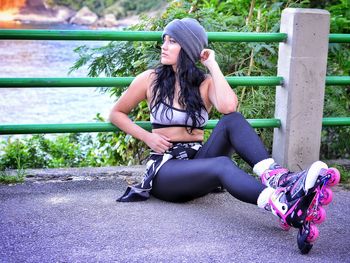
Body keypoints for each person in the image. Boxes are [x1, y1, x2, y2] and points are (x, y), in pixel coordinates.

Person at [109, 18, 332, 232]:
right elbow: (117, 113)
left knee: (232, 120)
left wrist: (212, 65)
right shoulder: (150, 79)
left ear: (188, 49)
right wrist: (147, 137)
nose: (163, 46)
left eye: (172, 41)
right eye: (164, 40)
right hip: (166, 172)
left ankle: (277, 177)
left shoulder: (204, 83)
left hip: (198, 163)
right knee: (222, 165)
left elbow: (228, 107)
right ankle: (282, 204)